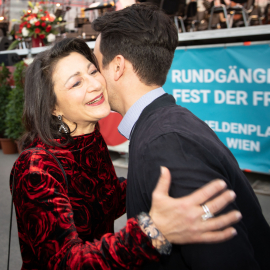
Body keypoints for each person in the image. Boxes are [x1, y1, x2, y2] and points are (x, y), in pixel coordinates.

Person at [10, 38, 240, 270]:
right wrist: (153, 232)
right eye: (76, 83)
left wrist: (174, 172)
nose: (95, 84)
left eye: (93, 71)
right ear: (53, 107)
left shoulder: (89, 140)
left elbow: (105, 199)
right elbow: (66, 262)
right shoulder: (35, 167)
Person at [92, 3, 270, 270]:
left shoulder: (165, 142)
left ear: (117, 66)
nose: (94, 79)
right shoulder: (163, 125)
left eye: (95, 65)